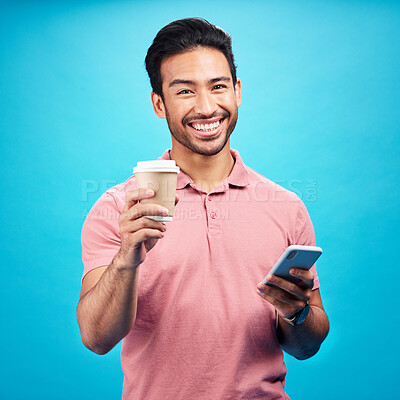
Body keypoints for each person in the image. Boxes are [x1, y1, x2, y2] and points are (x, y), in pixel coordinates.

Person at [77, 17, 329, 400]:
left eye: (218, 87)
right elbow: (96, 338)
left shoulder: (286, 207)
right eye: (185, 92)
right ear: (158, 104)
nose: (207, 107)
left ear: (238, 91)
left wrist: (297, 314)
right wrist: (127, 258)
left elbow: (306, 347)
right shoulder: (120, 208)